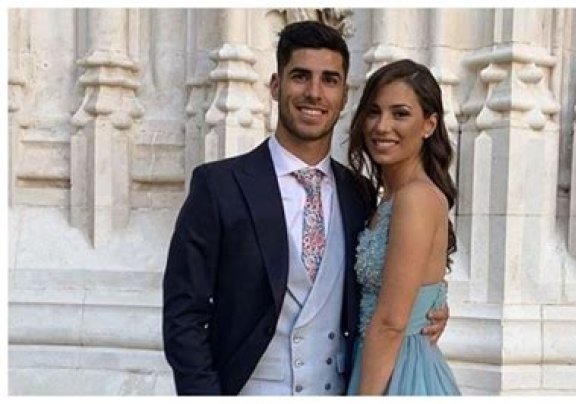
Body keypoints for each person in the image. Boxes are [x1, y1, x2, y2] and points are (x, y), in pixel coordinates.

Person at [162, 21, 448, 396]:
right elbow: (183, 315)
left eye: (329, 80)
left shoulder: (359, 195)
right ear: (275, 85)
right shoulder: (218, 187)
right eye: (300, 76)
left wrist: (431, 305)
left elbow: (393, 282)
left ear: (343, 96)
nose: (314, 92)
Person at [345, 59, 461, 395]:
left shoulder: (415, 198)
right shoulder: (388, 199)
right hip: (379, 361)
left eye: (400, 114)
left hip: (399, 372)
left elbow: (391, 323)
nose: (382, 126)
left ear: (429, 124)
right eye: (373, 112)